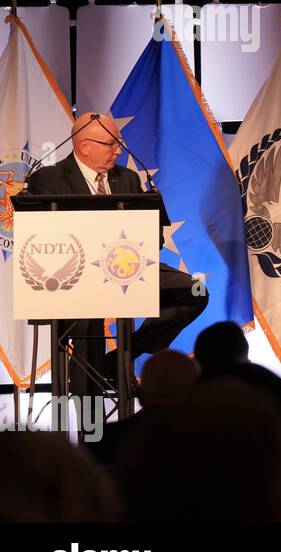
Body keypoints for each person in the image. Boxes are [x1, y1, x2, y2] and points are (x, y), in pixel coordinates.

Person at [20, 113, 208, 394]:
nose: (119, 150)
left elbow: (152, 236)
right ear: (84, 146)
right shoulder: (48, 179)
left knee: (194, 291)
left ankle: (117, 361)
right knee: (88, 319)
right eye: (111, 144)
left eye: (119, 143)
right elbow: (42, 239)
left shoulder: (128, 179)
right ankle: (91, 430)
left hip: (127, 269)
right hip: (75, 279)